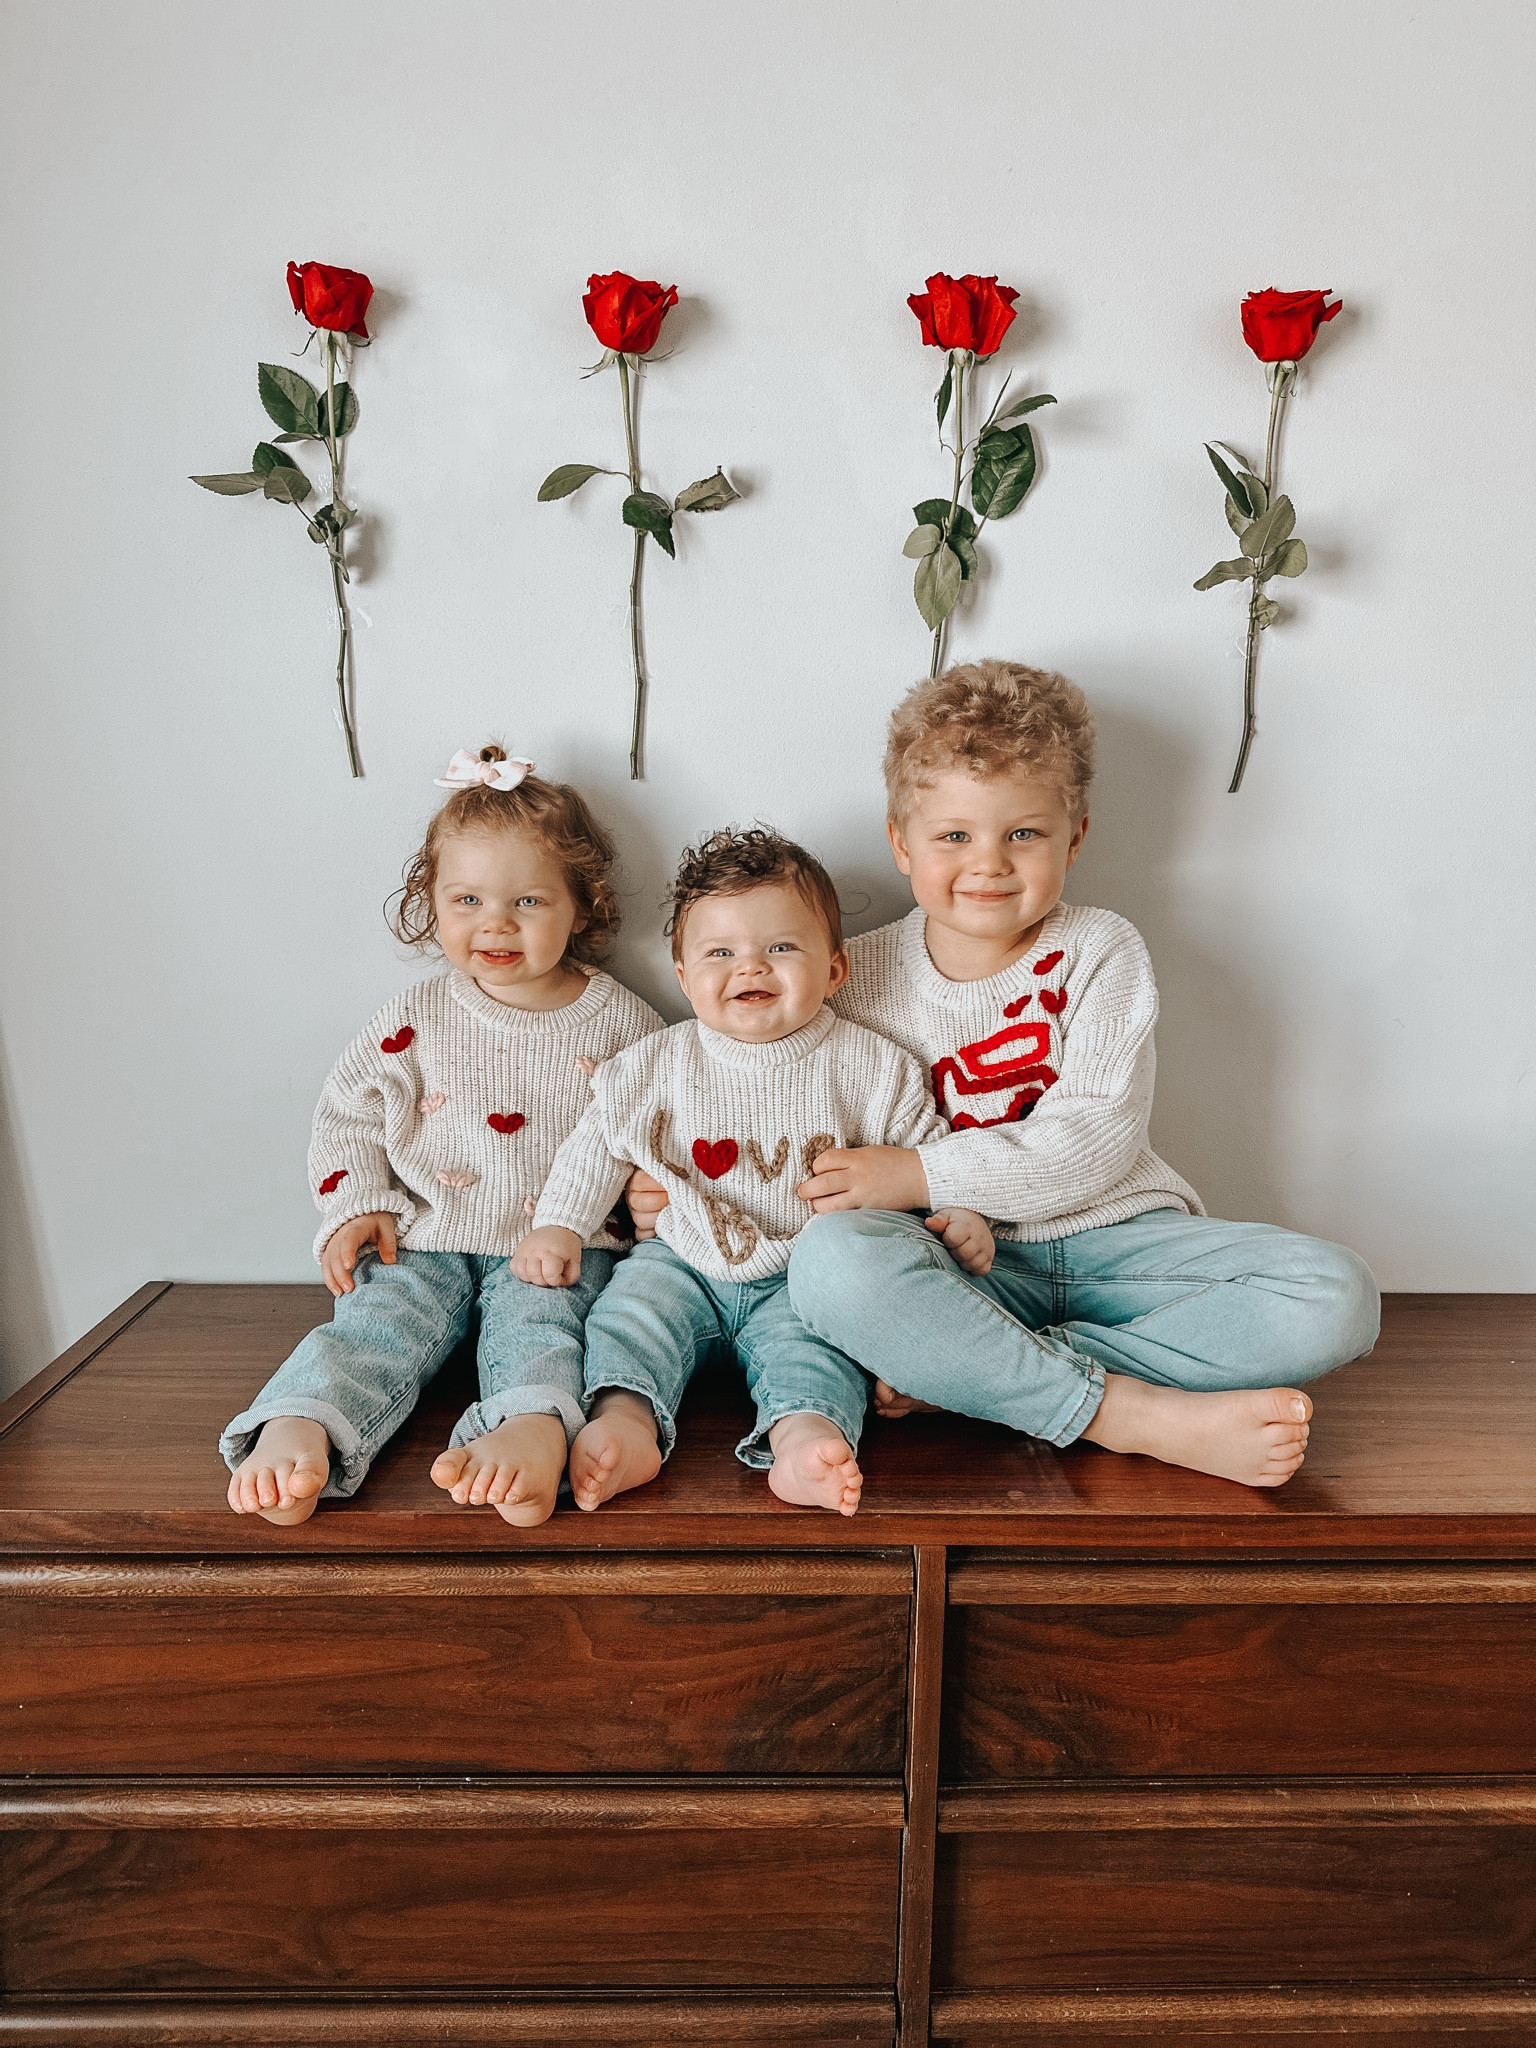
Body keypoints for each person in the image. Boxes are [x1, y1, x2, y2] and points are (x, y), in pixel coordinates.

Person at [630, 663, 1380, 1489]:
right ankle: (1125, 1416)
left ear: (1076, 837)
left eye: (1022, 834)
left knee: (1336, 1295)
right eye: (954, 836)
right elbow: (749, 1089)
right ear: (901, 842)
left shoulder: (1100, 951)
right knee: (832, 1262)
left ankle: (984, 1381)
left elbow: (1095, 1139)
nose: (987, 865)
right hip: (945, 1265)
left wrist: (916, 1170)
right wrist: (672, 1184)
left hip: (1117, 1244)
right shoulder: (849, 972)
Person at [220, 746, 662, 1527]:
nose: (495, 924)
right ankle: (305, 1422)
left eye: (527, 902)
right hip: (422, 1236)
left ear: (582, 905)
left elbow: (664, 1123)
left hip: (556, 1245)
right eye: (466, 901)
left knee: (547, 1329)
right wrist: (357, 1202)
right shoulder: (415, 1018)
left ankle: (532, 1429)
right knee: (376, 1323)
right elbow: (348, 1114)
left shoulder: (624, 1023)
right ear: (431, 901)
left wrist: (649, 1196)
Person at [512, 826, 991, 1516]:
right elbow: (596, 1144)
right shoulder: (657, 1064)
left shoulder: (871, 1067)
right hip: (679, 1259)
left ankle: (804, 1440)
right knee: (628, 1320)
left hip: (802, 1276)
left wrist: (961, 1215)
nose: (751, 968)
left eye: (781, 948)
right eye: (720, 952)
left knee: (818, 1358)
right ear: (683, 975)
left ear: (834, 969)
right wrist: (559, 1224)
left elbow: (926, 1157)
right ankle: (627, 1423)